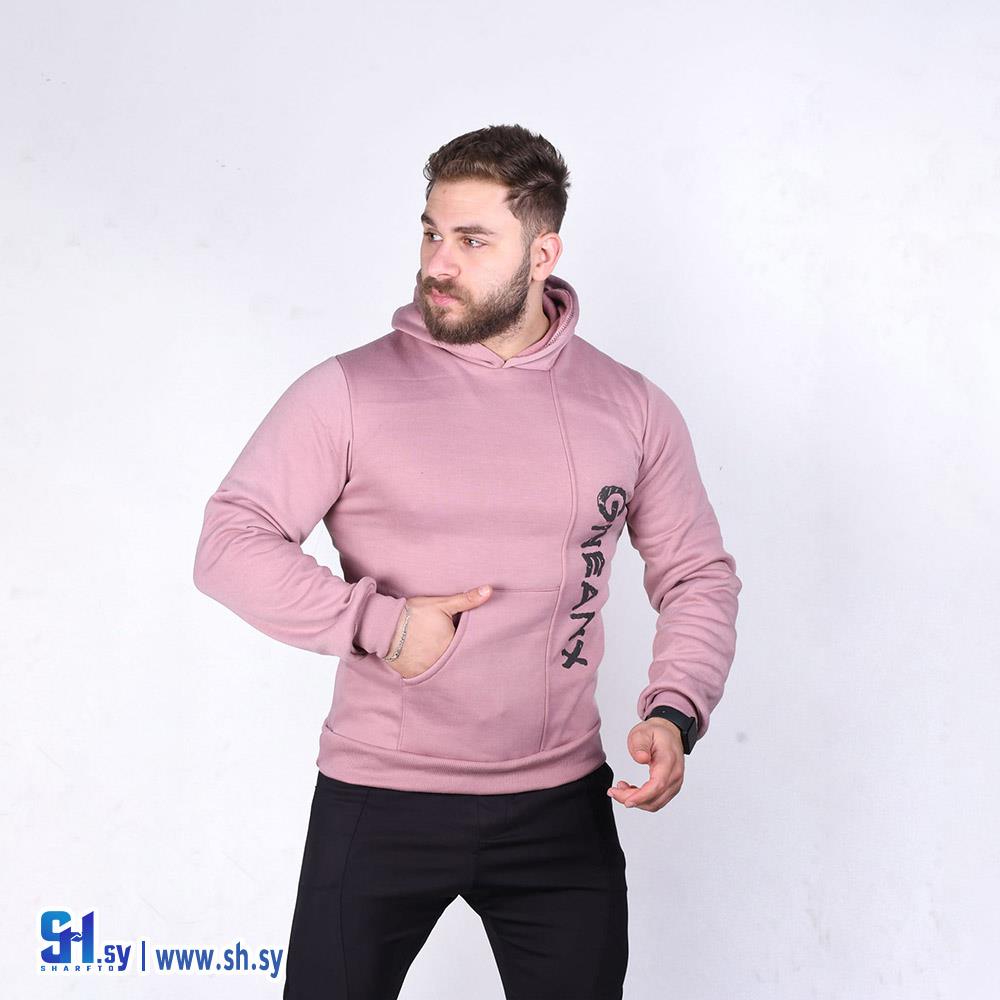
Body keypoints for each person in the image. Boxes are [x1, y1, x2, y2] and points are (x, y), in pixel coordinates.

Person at [193, 124, 741, 1000]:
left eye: (473, 240)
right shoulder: (347, 391)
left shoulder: (631, 407)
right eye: (430, 233)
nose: (438, 264)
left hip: (562, 808)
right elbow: (230, 540)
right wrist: (382, 625)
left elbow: (697, 575)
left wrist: (676, 712)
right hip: (379, 799)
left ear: (542, 254)